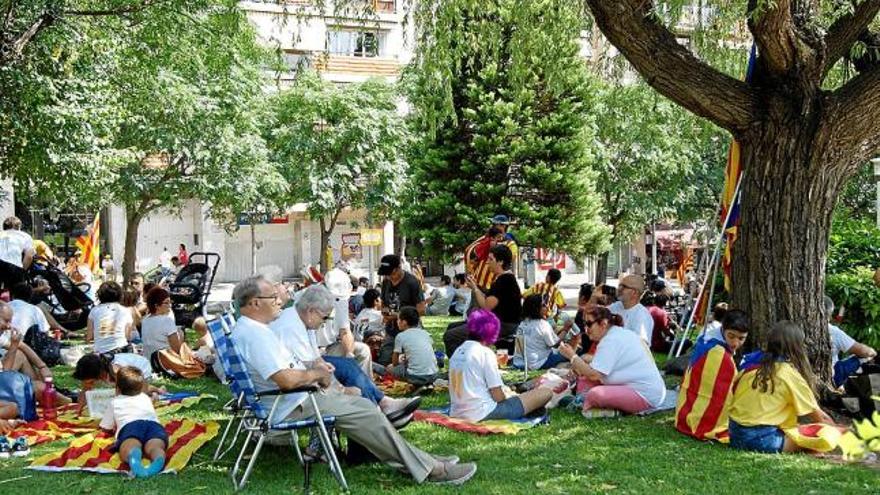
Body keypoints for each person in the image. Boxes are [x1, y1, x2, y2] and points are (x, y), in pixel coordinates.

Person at [230, 275, 477, 485]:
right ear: (254, 303)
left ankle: (422, 460)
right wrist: (319, 375)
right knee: (366, 410)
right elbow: (284, 379)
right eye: (273, 297)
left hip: (293, 399)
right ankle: (430, 469)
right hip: (291, 404)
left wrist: (320, 375)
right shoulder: (255, 334)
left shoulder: (253, 329)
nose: (279, 300)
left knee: (364, 403)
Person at [269, 284, 420, 427]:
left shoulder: (301, 319)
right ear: (311, 311)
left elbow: (315, 358)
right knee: (350, 378)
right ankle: (378, 412)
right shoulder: (292, 327)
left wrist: (338, 364)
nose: (324, 323)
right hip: (292, 395)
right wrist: (339, 389)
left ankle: (380, 406)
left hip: (301, 376)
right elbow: (307, 370)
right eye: (324, 318)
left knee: (351, 365)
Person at [728, 321, 836, 453]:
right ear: (797, 347)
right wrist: (838, 431)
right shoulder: (789, 374)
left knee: (797, 428)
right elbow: (821, 418)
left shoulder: (749, 369)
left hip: (735, 436)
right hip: (763, 440)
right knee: (826, 435)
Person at [559, 305, 666, 418]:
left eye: (589, 324)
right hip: (644, 390)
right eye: (585, 324)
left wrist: (572, 356)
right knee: (584, 381)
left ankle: (605, 410)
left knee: (594, 394)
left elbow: (593, 375)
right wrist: (581, 360)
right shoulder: (615, 334)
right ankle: (590, 403)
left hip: (645, 395)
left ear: (603, 324)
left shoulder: (610, 340)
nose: (586, 329)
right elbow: (606, 365)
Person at [448, 309, 551, 421]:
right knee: (546, 393)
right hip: (483, 413)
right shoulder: (485, 353)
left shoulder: (458, 351)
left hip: (457, 412)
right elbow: (498, 396)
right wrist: (511, 396)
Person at [675, 309, 749, 441]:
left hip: (685, 412)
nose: (735, 343)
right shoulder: (718, 352)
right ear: (723, 329)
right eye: (731, 336)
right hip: (702, 420)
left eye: (741, 338)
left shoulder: (707, 339)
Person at [445, 245, 521, 357]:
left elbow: (486, 306)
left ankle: (461, 366)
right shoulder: (504, 279)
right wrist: (475, 286)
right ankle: (465, 360)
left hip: (502, 325)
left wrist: (475, 289)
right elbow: (488, 298)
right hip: (497, 321)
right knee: (452, 327)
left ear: (500, 262)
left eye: (491, 259)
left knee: (450, 336)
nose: (487, 263)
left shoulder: (504, 281)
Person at [99, 366, 167, 478]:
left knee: (130, 445)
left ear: (118, 389)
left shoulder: (115, 402)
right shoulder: (145, 398)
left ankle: (134, 457)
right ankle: (158, 459)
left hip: (131, 426)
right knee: (155, 447)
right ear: (140, 388)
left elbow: (106, 427)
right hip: (154, 426)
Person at [72, 352, 162, 416]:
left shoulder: (116, 371)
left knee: (139, 402)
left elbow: (120, 396)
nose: (90, 385)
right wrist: (78, 410)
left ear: (100, 375)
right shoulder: (94, 368)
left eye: (91, 382)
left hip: (140, 366)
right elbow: (85, 391)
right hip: (127, 370)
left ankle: (154, 396)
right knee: (135, 390)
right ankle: (159, 390)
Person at [377, 254, 426, 365]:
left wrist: (398, 316)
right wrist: (385, 313)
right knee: (384, 361)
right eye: (387, 275)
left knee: (413, 362)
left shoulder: (412, 282)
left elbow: (421, 310)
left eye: (392, 274)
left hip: (411, 329)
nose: (390, 277)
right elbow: (384, 303)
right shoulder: (386, 282)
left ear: (398, 268)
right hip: (391, 330)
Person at [375, 307, 438, 387]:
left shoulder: (401, 336)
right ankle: (427, 384)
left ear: (404, 322)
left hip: (415, 377)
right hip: (433, 375)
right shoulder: (425, 333)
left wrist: (398, 363)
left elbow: (394, 362)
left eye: (398, 319)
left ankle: (418, 384)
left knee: (389, 368)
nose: (397, 322)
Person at [823, 296, 877, 387]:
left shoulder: (795, 327)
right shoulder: (833, 331)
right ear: (829, 314)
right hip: (831, 378)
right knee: (863, 356)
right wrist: (872, 353)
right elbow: (865, 351)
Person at [511, 295, 567, 370]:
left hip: (519, 363)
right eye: (543, 305)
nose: (547, 307)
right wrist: (566, 329)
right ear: (536, 309)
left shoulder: (522, 324)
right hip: (537, 364)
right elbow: (555, 344)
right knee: (567, 354)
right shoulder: (542, 324)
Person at [86, 281, 135, 356]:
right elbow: (127, 336)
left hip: (101, 352)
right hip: (121, 350)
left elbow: (89, 337)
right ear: (120, 295)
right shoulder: (125, 311)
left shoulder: (94, 311)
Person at [608, 274, 654, 345]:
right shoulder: (616, 306)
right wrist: (594, 297)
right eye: (619, 285)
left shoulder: (642, 315)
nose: (619, 289)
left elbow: (641, 345)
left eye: (624, 287)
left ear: (634, 293)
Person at [140, 287, 181, 364]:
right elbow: (176, 349)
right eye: (166, 303)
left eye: (170, 302)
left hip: (149, 361)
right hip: (166, 362)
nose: (170, 305)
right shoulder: (167, 320)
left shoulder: (145, 320)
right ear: (157, 306)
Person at [0, 216, 34, 290]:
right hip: (14, 267)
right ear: (19, 227)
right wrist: (22, 271)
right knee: (17, 292)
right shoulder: (25, 236)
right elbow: (29, 256)